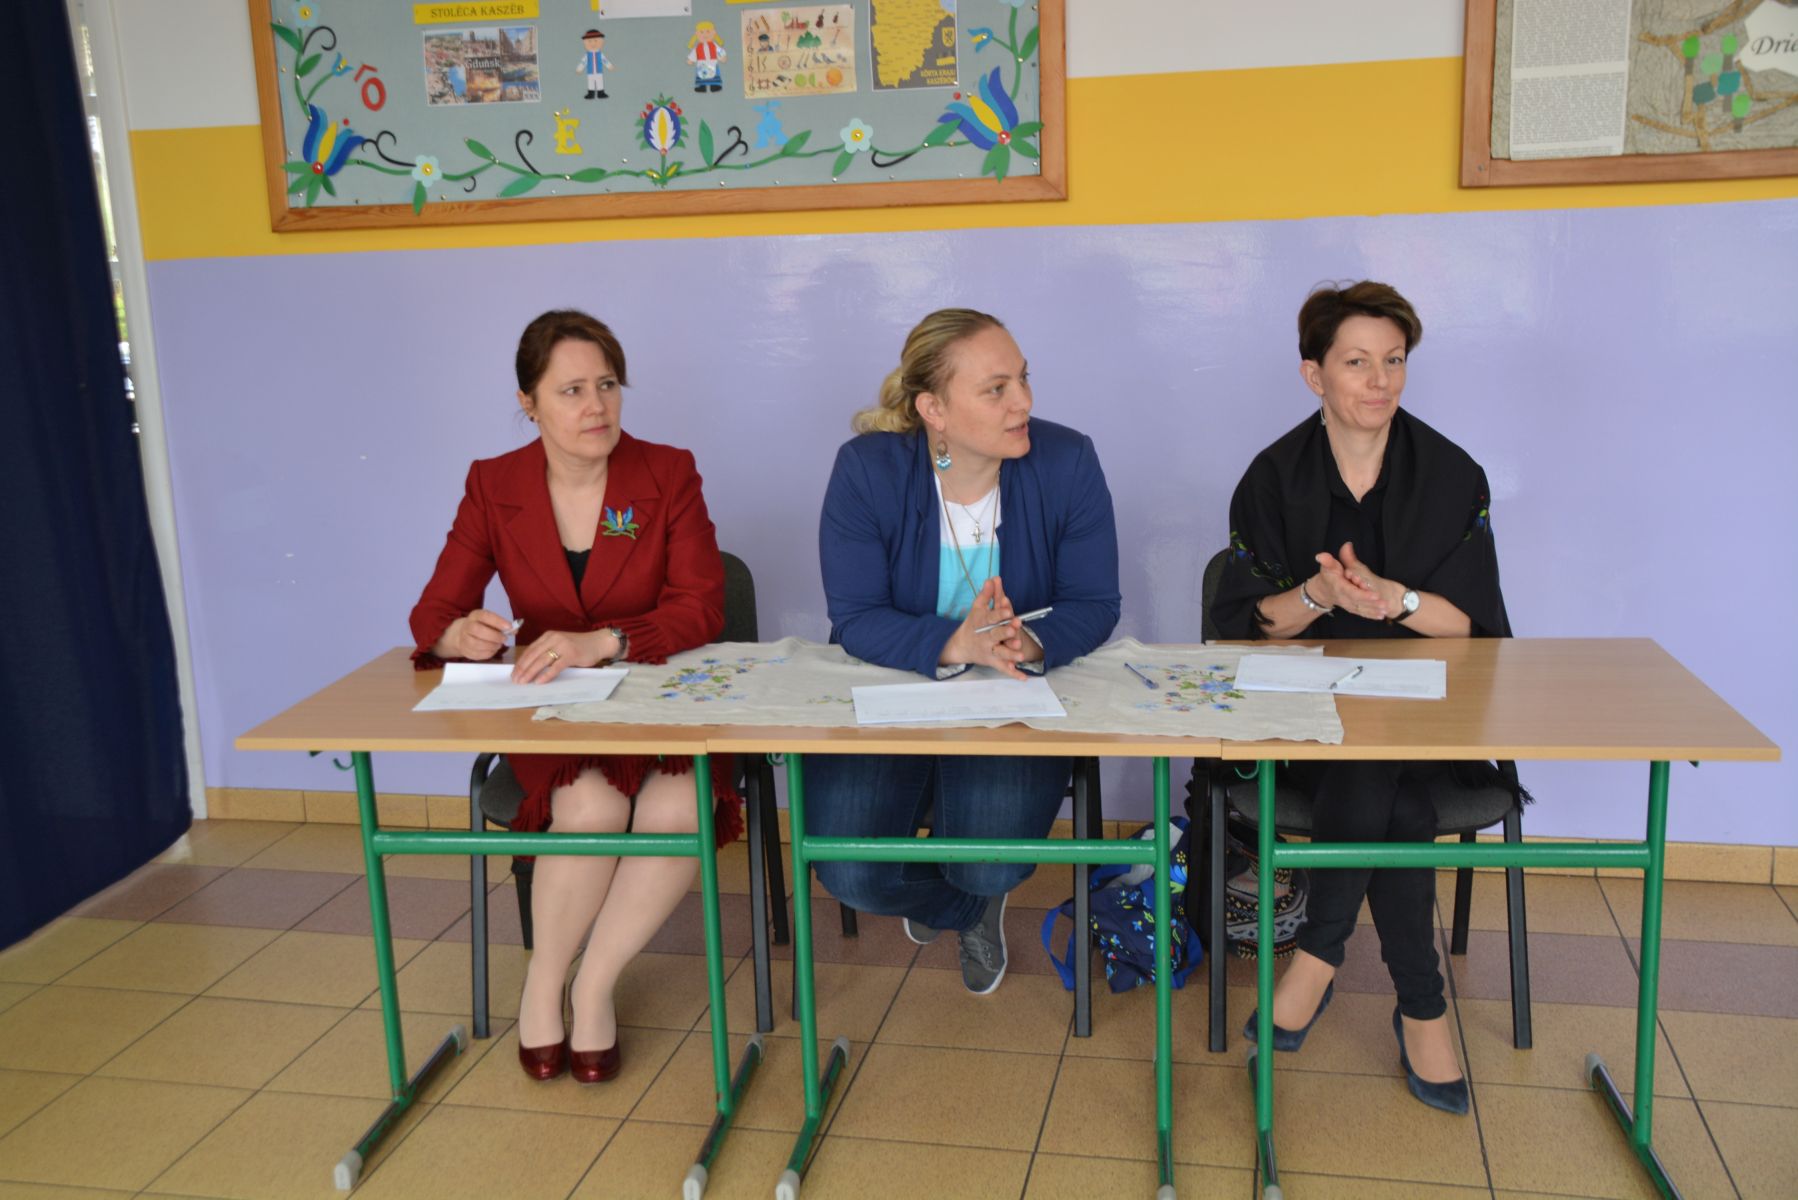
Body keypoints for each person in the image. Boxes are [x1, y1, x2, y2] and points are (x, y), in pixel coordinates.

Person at [1211, 281, 1517, 1115]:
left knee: (1382, 763)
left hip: (1429, 720)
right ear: (1314, 375)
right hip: (1303, 727)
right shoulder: (1272, 478)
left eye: (1394, 361)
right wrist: (1319, 596)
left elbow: (1474, 626)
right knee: (1388, 789)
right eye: (1357, 362)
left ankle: (1316, 961)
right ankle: (1421, 1007)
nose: (1380, 381)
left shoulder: (1452, 474)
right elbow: (1247, 626)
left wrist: (1397, 600)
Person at [409, 310, 738, 1083]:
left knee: (679, 806)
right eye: (572, 390)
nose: (597, 406)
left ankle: (593, 986)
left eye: (608, 385)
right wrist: (459, 634)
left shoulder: (666, 473)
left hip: (660, 699)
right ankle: (543, 982)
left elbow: (702, 606)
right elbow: (432, 613)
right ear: (528, 403)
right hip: (556, 707)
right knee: (589, 806)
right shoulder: (494, 484)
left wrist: (609, 640)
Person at [812, 308, 1120, 994]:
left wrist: (1030, 640)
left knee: (988, 863)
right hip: (892, 684)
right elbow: (855, 616)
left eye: (1024, 379)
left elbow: (1095, 601)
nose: (1024, 403)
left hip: (1008, 690)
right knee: (850, 870)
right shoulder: (867, 469)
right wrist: (952, 642)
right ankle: (963, 910)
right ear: (934, 409)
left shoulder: (1068, 460)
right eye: (996, 389)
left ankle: (978, 892)